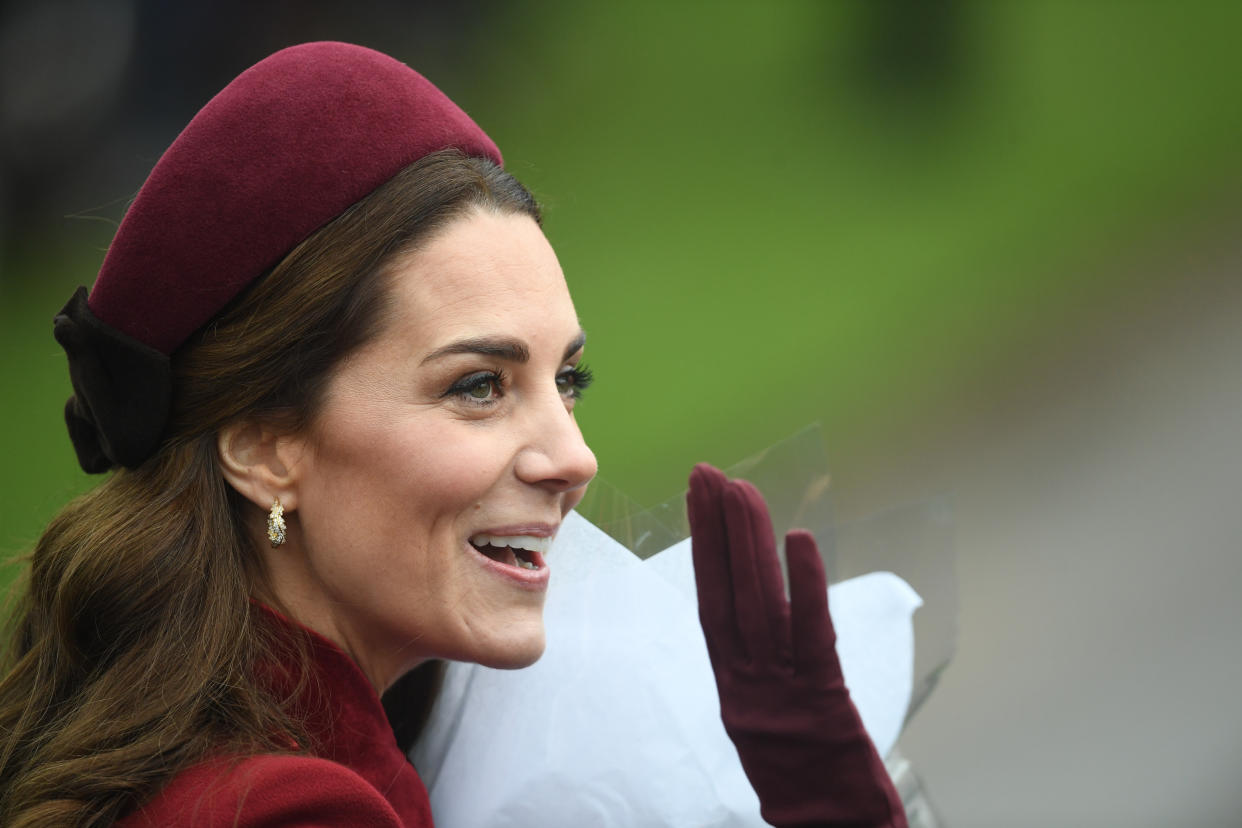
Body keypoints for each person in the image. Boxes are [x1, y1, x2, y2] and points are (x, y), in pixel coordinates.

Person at [0, 42, 905, 827]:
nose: (574, 459)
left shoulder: (287, 752)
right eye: (479, 386)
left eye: (568, 381)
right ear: (264, 446)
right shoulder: (291, 810)